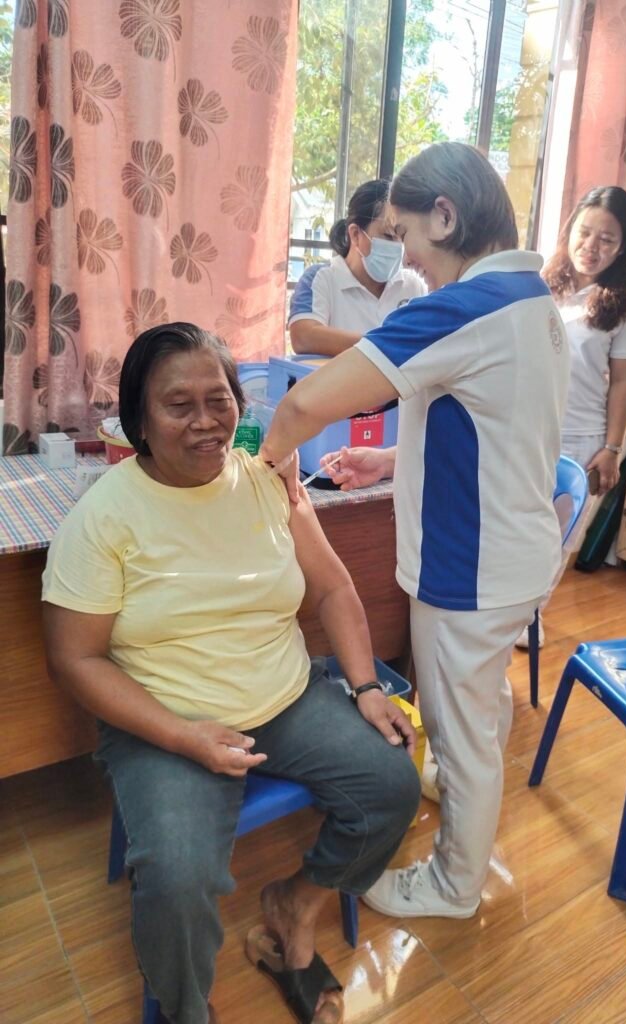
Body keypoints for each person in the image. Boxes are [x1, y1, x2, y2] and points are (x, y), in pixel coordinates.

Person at [41, 323, 420, 1024]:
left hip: (285, 698)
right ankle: (186, 1009)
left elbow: (334, 588)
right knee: (178, 878)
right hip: (164, 721)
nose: (205, 421)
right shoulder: (104, 517)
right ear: (139, 422)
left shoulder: (268, 481)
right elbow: (74, 658)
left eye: (218, 399)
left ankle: (294, 906)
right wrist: (183, 737)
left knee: (393, 785)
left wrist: (367, 687)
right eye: (178, 405)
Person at [259, 142, 570, 920]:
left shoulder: (461, 307)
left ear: (446, 216)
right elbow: (496, 428)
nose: (407, 259)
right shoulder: (531, 300)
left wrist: (263, 470)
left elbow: (305, 404)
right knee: (478, 707)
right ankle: (459, 777)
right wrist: (392, 461)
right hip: (518, 554)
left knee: (462, 731)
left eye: (405, 235)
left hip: (471, 569)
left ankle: (454, 885)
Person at [516, 185, 626, 649]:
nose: (591, 246)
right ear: (569, 230)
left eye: (606, 239)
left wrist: (612, 448)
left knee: (558, 535)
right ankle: (505, 609)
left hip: (581, 439)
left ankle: (531, 615)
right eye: (585, 233)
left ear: (623, 247)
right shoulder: (541, 282)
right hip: (526, 426)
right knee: (518, 526)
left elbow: (624, 382)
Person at [289, 178, 426, 357]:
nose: (397, 245)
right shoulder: (321, 279)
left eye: (402, 236)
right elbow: (304, 337)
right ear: (355, 234)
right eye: (388, 235)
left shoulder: (413, 287)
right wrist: (387, 346)